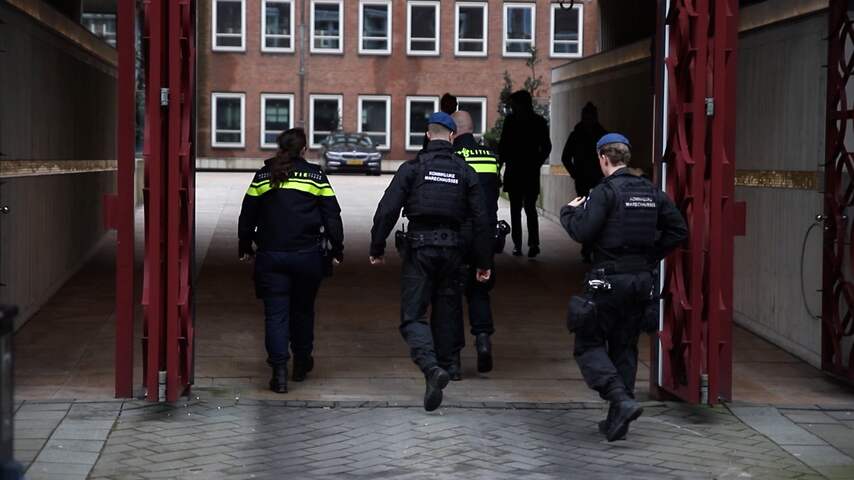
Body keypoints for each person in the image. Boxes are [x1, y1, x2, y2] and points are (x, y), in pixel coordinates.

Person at [560, 133, 687, 442]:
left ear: (603, 159)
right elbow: (678, 230)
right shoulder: (651, 191)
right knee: (625, 346)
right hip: (641, 282)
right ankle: (618, 419)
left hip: (609, 281)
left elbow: (583, 232)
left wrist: (568, 211)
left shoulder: (606, 192)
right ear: (626, 158)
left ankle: (620, 398)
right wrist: (648, 257)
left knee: (588, 343)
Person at [370, 112, 493, 411]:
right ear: (452, 137)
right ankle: (450, 366)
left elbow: (388, 209)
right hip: (454, 250)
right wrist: (483, 261)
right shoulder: (465, 171)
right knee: (448, 309)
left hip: (420, 248)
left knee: (413, 315)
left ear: (427, 134)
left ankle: (430, 367)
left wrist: (377, 246)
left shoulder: (412, 169)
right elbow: (481, 220)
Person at [238, 128, 344, 394]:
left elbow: (247, 214)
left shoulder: (263, 175)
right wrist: (337, 248)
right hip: (307, 257)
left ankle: (279, 372)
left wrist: (245, 245)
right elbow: (332, 215)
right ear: (304, 150)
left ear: (280, 148)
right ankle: (301, 363)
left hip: (271, 256)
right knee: (303, 311)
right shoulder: (316, 176)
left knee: (276, 314)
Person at [449, 110, 501, 377]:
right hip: (485, 234)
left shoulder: (450, 157)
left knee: (452, 294)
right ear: (473, 129)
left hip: (457, 235)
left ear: (453, 131)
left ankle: (455, 361)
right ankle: (482, 341)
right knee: (479, 290)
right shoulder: (491, 157)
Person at [500, 90, 551, 258]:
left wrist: (500, 164)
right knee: (529, 208)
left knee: (520, 209)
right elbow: (546, 147)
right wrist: (537, 162)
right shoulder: (538, 122)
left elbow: (503, 146)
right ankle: (531, 244)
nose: (512, 107)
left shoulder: (512, 121)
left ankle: (519, 245)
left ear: (521, 104)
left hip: (518, 170)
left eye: (514, 104)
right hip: (527, 170)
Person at [562, 102, 609, 263]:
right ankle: (588, 246)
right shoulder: (577, 135)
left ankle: (591, 246)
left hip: (598, 179)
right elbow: (566, 157)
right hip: (584, 178)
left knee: (597, 212)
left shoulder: (601, 135)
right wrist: (575, 174)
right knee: (586, 212)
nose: (588, 120)